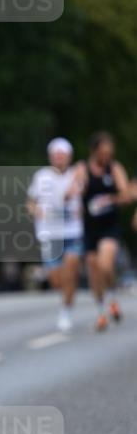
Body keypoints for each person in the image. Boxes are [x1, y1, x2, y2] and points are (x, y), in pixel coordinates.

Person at [67, 132, 131, 331]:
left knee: (105, 264)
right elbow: (71, 191)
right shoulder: (82, 168)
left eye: (109, 153)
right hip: (89, 227)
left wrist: (110, 200)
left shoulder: (114, 168)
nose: (106, 157)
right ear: (94, 152)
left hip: (109, 226)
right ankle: (102, 310)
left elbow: (126, 195)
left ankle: (112, 295)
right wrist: (76, 191)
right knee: (94, 270)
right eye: (103, 153)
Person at [27, 137, 84, 332]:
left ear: (69, 157)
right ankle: (65, 300)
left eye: (63, 155)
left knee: (70, 272)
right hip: (50, 234)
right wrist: (37, 211)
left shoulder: (78, 175)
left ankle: (66, 312)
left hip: (72, 232)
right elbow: (31, 202)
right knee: (57, 280)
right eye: (56, 155)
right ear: (51, 157)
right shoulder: (41, 176)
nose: (59, 158)